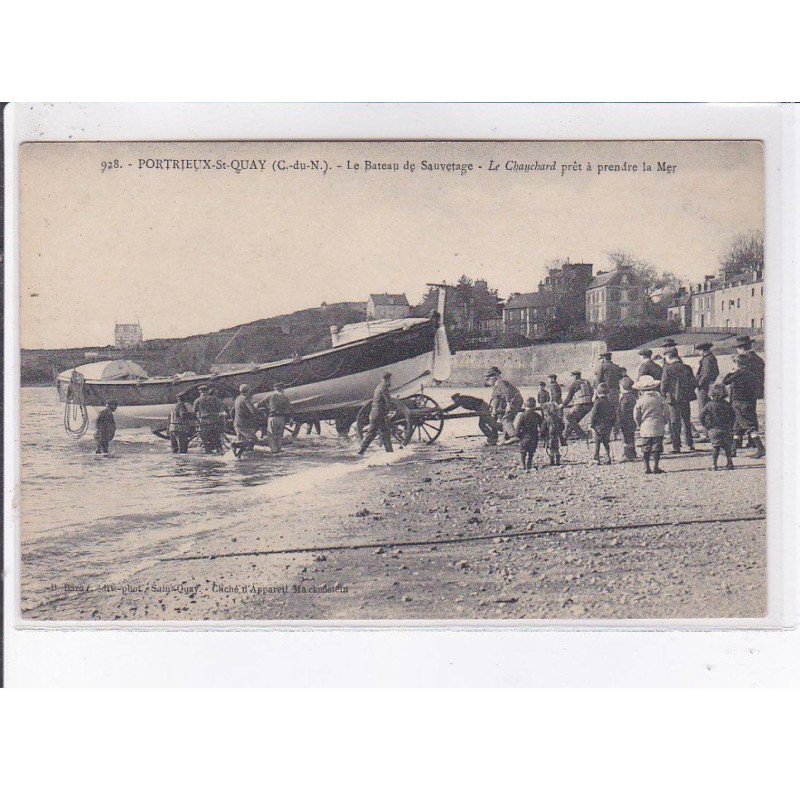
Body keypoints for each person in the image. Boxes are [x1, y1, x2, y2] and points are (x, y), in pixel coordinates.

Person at [723, 355, 765, 458]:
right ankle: (733, 450)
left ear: (738, 364)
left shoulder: (738, 374)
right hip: (749, 402)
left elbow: (725, 381)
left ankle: (761, 448)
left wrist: (731, 372)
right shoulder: (751, 374)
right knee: (737, 427)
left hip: (739, 403)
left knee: (748, 426)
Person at [661, 347, 697, 453]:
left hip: (672, 399)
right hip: (685, 398)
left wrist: (665, 395)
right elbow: (693, 383)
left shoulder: (667, 369)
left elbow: (663, 386)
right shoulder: (687, 367)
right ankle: (689, 444)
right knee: (686, 421)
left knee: (674, 422)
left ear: (668, 357)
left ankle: (676, 446)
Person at [633, 375, 669, 475]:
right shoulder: (659, 399)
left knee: (646, 447)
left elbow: (636, 415)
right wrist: (664, 421)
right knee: (657, 447)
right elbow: (666, 411)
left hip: (645, 426)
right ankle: (656, 466)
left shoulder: (640, 401)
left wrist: (639, 424)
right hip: (658, 424)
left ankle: (646, 467)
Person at [699, 383, 736, 470]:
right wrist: (731, 425)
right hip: (726, 428)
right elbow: (733, 415)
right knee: (727, 447)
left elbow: (701, 416)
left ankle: (714, 464)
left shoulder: (709, 405)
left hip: (714, 429)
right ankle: (729, 463)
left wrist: (705, 425)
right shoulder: (727, 404)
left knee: (716, 446)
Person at [358, 372, 394, 455]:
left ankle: (390, 452)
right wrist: (392, 410)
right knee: (374, 433)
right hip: (379, 414)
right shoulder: (384, 388)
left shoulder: (379, 387)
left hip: (376, 413)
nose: (390, 382)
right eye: (389, 380)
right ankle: (360, 451)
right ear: (387, 380)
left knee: (383, 433)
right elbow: (388, 401)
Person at [486, 366, 523, 444]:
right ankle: (505, 438)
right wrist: (494, 409)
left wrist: (508, 403)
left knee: (506, 419)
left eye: (490, 377)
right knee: (505, 419)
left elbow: (507, 392)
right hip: (514, 400)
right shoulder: (496, 387)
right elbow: (496, 398)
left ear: (495, 376)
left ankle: (514, 436)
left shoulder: (500, 382)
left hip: (515, 400)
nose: (488, 380)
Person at [694, 342, 719, 442]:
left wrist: (699, 384)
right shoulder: (711, 358)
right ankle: (710, 432)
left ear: (702, 350)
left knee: (704, 410)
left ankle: (706, 434)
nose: (699, 352)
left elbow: (706, 374)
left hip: (704, 388)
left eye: (699, 350)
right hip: (709, 386)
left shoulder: (707, 359)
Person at [561, 370, 594, 441]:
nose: (571, 378)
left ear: (575, 376)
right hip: (589, 405)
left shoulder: (574, 384)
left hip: (581, 405)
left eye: (571, 377)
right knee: (574, 420)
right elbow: (592, 392)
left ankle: (582, 435)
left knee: (569, 417)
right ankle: (565, 436)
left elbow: (568, 398)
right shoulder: (586, 382)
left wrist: (562, 405)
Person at [193, 385, 226, 453]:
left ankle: (209, 459)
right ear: (207, 391)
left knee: (206, 444)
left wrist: (197, 422)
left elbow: (194, 413)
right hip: (215, 423)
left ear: (200, 391)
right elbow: (222, 408)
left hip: (204, 424)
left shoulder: (197, 400)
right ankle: (221, 456)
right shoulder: (215, 399)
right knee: (217, 442)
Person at [588, 382, 615, 465]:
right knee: (606, 442)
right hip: (608, 425)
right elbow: (613, 414)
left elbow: (593, 414)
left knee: (597, 442)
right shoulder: (610, 401)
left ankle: (597, 458)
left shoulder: (597, 402)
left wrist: (591, 424)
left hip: (598, 426)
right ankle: (608, 458)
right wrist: (612, 424)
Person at [233, 383, 260, 457]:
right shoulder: (245, 398)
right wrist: (258, 410)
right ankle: (234, 445)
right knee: (254, 440)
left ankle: (238, 456)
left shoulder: (237, 398)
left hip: (237, 423)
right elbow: (253, 410)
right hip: (244, 424)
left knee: (242, 441)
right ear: (248, 391)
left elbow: (232, 411)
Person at [515, 397, 542, 471]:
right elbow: (542, 426)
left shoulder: (523, 415)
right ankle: (529, 464)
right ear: (534, 406)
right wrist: (541, 435)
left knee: (523, 451)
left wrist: (518, 435)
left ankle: (523, 464)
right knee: (531, 451)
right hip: (534, 435)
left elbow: (518, 427)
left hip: (525, 435)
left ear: (525, 405)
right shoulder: (537, 415)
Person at [266, 383, 293, 453]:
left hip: (272, 418)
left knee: (271, 435)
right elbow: (290, 408)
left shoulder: (270, 396)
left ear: (275, 389)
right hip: (281, 419)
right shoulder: (285, 397)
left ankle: (274, 451)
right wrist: (290, 419)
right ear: (282, 389)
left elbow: (260, 403)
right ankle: (278, 450)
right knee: (280, 436)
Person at [618, 376, 638, 461]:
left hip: (625, 421)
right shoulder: (633, 396)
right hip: (632, 420)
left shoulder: (624, 398)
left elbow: (622, 411)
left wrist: (618, 421)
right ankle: (632, 452)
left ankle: (628, 455)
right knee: (631, 436)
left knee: (626, 438)